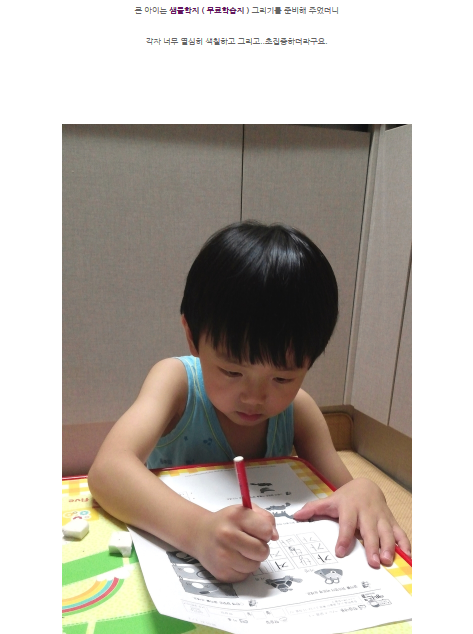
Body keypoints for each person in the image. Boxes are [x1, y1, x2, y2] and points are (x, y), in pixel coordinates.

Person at [88, 221, 411, 583]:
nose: (254, 397)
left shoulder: (298, 411)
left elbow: (342, 490)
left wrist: (364, 490)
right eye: (231, 371)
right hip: (168, 560)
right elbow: (107, 471)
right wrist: (198, 532)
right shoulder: (176, 383)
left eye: (282, 378)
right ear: (193, 338)